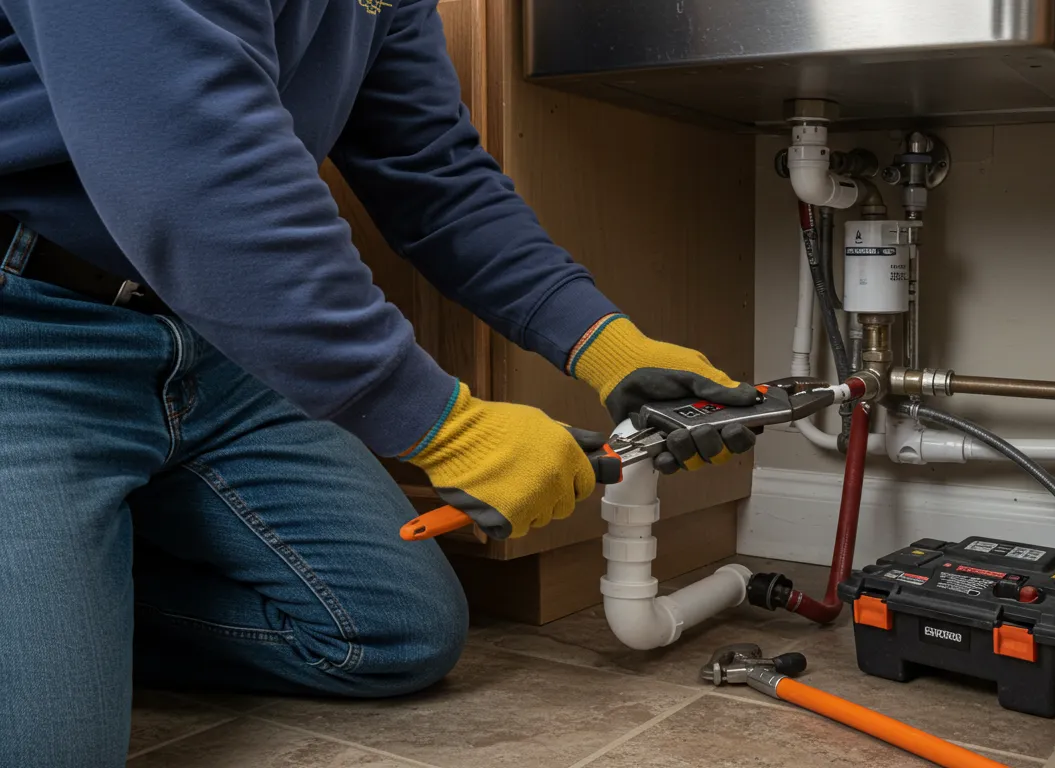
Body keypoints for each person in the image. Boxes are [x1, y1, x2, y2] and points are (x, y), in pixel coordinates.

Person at [0, 1, 758, 764]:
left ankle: (75, 600)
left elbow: (435, 172)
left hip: (213, 336)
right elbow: (194, 178)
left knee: (390, 632)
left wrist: (609, 347)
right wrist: (446, 427)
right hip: (27, 335)